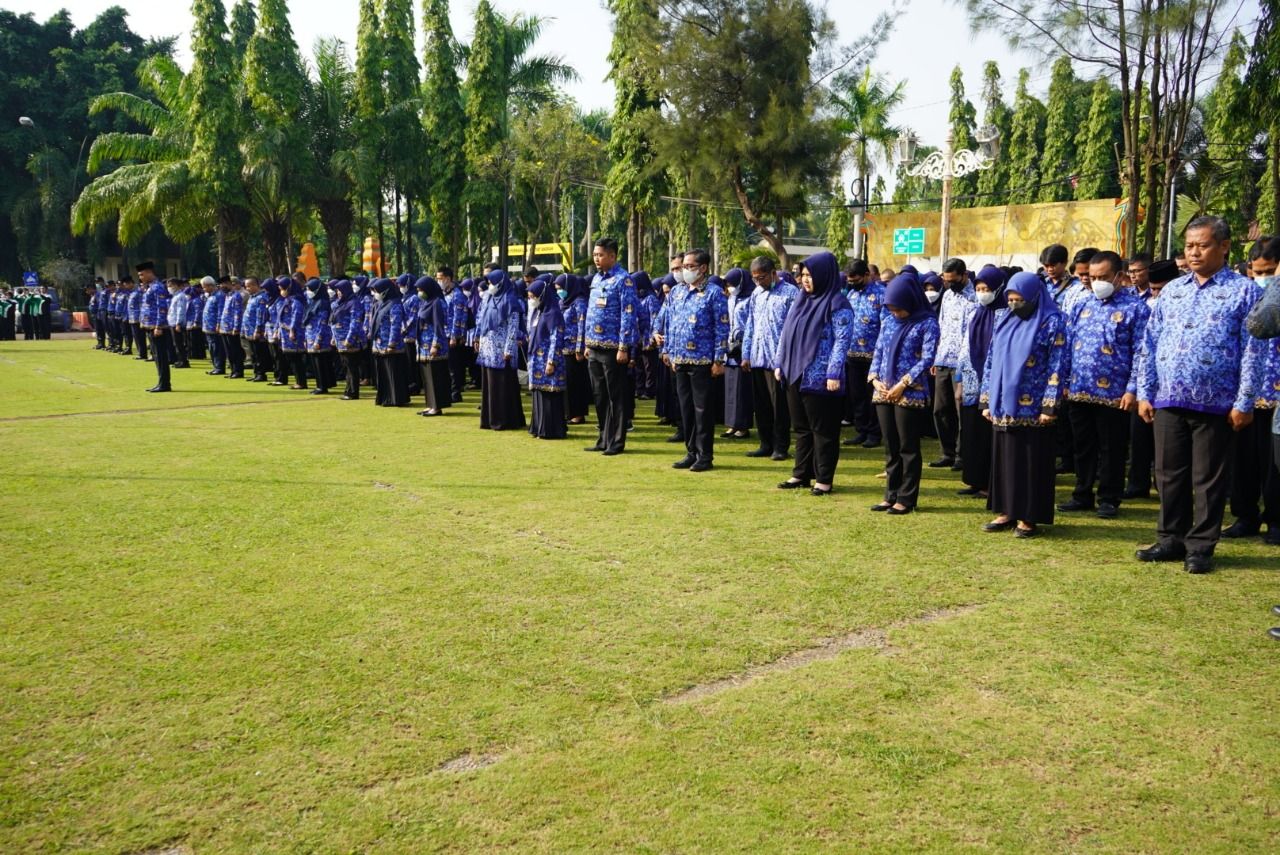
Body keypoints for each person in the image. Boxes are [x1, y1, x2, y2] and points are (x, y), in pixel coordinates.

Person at [1135, 216, 1265, 573]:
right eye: (1189, 245)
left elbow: (1254, 352)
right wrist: (1145, 391)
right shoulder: (1173, 290)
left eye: (1202, 245)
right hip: (1168, 399)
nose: (1193, 252)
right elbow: (1150, 342)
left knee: (1207, 479)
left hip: (1216, 401)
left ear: (1224, 247)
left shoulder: (1245, 291)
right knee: (1167, 473)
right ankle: (1170, 539)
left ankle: (1200, 547)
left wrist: (1244, 402)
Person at [1058, 250, 1150, 519]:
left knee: (1112, 447)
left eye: (1103, 277)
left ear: (1119, 276)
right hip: (1079, 389)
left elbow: (1141, 352)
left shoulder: (1135, 309)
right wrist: (1064, 381)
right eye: (1091, 276)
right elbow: (1068, 347)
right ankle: (1082, 493)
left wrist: (1133, 388)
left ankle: (1109, 497)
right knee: (1083, 446)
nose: (1096, 282)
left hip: (1115, 393)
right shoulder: (1081, 305)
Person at [980, 272, 1069, 539]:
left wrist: (1049, 406)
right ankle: (1006, 510)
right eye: (1011, 299)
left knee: (1031, 461)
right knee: (1006, 460)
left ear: (1034, 297)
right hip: (1003, 405)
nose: (1015, 304)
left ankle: (1028, 517)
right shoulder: (1005, 319)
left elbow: (1058, 365)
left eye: (1020, 300)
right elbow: (991, 361)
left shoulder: (1052, 322)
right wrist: (987, 399)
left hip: (1034, 407)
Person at [774, 251, 855, 495]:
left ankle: (824, 479)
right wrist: (779, 362)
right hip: (794, 374)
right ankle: (801, 474)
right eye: (803, 275)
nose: (805, 280)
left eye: (810, 275)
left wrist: (833, 373)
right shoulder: (801, 300)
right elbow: (786, 334)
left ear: (824, 275)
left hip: (821, 378)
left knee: (824, 431)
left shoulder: (837, 303)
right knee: (801, 428)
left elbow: (842, 341)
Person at [1221, 237, 1280, 544]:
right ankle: (1245, 516)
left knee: (1275, 464)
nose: (1262, 278)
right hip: (1244, 394)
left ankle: (1275, 520)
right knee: (1243, 461)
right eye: (1256, 272)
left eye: (1269, 271)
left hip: (1276, 397)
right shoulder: (1243, 296)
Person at [868, 271, 940, 514]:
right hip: (884, 390)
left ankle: (906, 498)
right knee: (891, 445)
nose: (895, 313)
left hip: (910, 392)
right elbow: (878, 350)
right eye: (891, 308)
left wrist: (903, 383)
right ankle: (890, 494)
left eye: (899, 309)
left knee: (908, 447)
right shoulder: (889, 320)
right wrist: (874, 379)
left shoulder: (927, 323)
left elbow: (928, 358)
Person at [661, 248, 729, 472]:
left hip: (702, 361)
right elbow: (670, 324)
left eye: (689, 266)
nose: (685, 271)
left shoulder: (714, 293)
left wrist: (719, 359)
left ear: (703, 268)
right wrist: (667, 350)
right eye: (683, 267)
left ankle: (705, 455)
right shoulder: (677, 292)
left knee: (702, 410)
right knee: (686, 409)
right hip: (680, 359)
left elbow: (722, 327)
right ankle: (690, 452)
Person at [741, 256, 800, 460]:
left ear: (773, 273)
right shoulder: (756, 293)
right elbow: (751, 324)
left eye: (762, 277)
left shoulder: (791, 293)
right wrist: (746, 353)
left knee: (779, 406)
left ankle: (781, 446)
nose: (758, 282)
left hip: (777, 360)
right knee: (762, 405)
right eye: (754, 278)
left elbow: (792, 330)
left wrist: (783, 359)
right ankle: (765, 443)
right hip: (757, 357)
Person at [956, 265, 1007, 499]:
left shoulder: (1006, 314)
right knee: (971, 433)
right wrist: (959, 379)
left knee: (988, 435)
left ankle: (989, 483)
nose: (982, 293)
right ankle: (974, 480)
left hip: (992, 384)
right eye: (979, 288)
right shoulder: (977, 312)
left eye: (987, 289)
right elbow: (965, 347)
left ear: (998, 289)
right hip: (970, 383)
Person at [583, 238, 637, 455]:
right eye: (595, 255)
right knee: (599, 395)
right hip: (594, 346)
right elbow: (590, 313)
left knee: (616, 396)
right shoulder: (596, 279)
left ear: (613, 256)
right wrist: (586, 342)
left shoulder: (623, 280)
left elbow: (628, 314)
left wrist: (624, 346)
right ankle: (603, 438)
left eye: (601, 255)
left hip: (613, 347)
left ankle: (616, 440)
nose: (597, 258)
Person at [931, 257, 975, 469]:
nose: (949, 284)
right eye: (945, 280)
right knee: (940, 409)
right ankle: (946, 452)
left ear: (964, 275)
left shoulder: (975, 298)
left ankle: (962, 455)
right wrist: (935, 356)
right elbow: (942, 326)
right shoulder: (947, 295)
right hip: (943, 359)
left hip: (963, 363)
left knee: (962, 412)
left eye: (953, 280)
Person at [841, 260, 883, 449]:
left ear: (867, 275)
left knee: (871, 396)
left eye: (856, 280)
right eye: (850, 280)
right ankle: (861, 430)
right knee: (856, 396)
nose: (853, 283)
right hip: (852, 354)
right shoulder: (851, 294)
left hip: (873, 356)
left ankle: (874, 433)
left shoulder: (882, 294)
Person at [475, 269, 525, 429]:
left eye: (491, 283)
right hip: (488, 348)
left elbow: (513, 327)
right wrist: (477, 337)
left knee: (503, 386)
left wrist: (509, 349)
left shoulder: (511, 300)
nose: (489, 286)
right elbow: (481, 318)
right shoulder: (488, 297)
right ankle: (489, 419)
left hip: (503, 351)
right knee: (490, 385)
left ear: (501, 283)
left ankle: (504, 420)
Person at [525, 277, 568, 439]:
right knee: (539, 395)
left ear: (542, 295)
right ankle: (538, 427)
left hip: (548, 361)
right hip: (536, 361)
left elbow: (556, 339)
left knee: (550, 396)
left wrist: (552, 361)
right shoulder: (538, 312)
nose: (531, 300)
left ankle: (551, 430)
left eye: (533, 297)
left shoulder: (554, 314)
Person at [722, 267, 755, 439]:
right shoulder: (731, 299)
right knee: (730, 387)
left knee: (742, 389)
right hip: (730, 348)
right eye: (728, 285)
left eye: (733, 284)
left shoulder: (751, 298)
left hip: (743, 346)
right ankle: (731, 425)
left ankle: (742, 425)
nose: (730, 287)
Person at [413, 275, 452, 416]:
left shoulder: (437, 303)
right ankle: (429, 404)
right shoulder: (426, 302)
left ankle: (436, 406)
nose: (419, 292)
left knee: (435, 377)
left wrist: (436, 344)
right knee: (427, 377)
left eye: (421, 289)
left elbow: (439, 326)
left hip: (433, 346)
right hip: (423, 345)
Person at [368, 278, 410, 407]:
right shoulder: (382, 303)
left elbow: (396, 325)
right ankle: (385, 397)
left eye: (377, 291)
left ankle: (396, 398)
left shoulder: (395, 304)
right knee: (383, 373)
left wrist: (392, 343)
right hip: (380, 344)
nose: (375, 294)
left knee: (393, 372)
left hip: (391, 345)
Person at [558, 274, 591, 425]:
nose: (559, 291)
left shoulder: (579, 303)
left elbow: (582, 326)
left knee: (576, 382)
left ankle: (578, 414)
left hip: (574, 350)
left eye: (561, 288)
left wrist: (580, 347)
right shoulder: (563, 302)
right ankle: (567, 412)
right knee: (566, 383)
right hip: (563, 347)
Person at [329, 280, 364, 400]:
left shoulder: (354, 303)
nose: (338, 293)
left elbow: (355, 323)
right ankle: (348, 390)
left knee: (351, 367)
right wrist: (334, 337)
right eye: (337, 291)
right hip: (340, 340)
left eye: (340, 291)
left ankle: (353, 392)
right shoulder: (339, 303)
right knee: (346, 366)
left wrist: (349, 339)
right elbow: (334, 322)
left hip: (350, 341)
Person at [141, 266, 172, 392]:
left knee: (160, 356)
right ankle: (161, 382)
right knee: (156, 356)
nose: (140, 277)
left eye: (142, 274)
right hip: (150, 325)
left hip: (156, 326)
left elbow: (162, 308)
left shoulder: (157, 287)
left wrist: (159, 326)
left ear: (149, 273)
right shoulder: (150, 288)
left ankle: (164, 384)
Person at [303, 278, 335, 395]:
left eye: (309, 289)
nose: (307, 291)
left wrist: (318, 340)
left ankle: (322, 386)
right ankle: (321, 385)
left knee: (320, 363)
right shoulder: (313, 302)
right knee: (316, 363)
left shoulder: (322, 303)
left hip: (320, 337)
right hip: (311, 335)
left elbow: (322, 323)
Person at [277, 278, 308, 389]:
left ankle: (301, 382)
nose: (281, 291)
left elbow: (297, 316)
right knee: (291, 358)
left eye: (282, 289)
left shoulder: (296, 301)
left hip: (294, 332)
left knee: (296, 358)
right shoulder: (288, 299)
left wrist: (292, 329)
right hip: (286, 332)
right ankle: (298, 381)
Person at [241, 277, 271, 382]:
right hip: (249, 330)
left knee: (259, 354)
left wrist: (258, 330)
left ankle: (261, 374)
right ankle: (256, 372)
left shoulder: (261, 298)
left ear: (255, 285)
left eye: (249, 286)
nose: (247, 288)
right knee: (253, 354)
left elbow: (260, 315)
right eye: (246, 286)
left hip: (256, 331)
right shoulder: (252, 297)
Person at [219, 277, 246, 378]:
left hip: (232, 328)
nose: (221, 286)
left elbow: (237, 312)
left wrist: (236, 327)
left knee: (235, 350)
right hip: (225, 327)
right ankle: (233, 370)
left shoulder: (236, 296)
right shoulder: (227, 296)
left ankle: (238, 371)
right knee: (229, 351)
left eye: (223, 284)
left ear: (229, 284)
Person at [200, 277, 224, 374]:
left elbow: (220, 311)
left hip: (214, 326)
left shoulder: (219, 295)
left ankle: (219, 367)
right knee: (211, 347)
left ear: (210, 285)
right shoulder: (210, 296)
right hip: (208, 326)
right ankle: (215, 366)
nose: (203, 289)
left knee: (217, 347)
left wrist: (218, 324)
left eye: (204, 287)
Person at [166, 278, 191, 368]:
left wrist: (178, 323)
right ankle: (180, 360)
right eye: (168, 286)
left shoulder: (180, 296)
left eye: (171, 285)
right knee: (176, 343)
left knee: (179, 343)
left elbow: (181, 311)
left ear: (177, 286)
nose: (169, 287)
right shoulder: (175, 296)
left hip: (177, 323)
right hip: (172, 322)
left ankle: (184, 361)